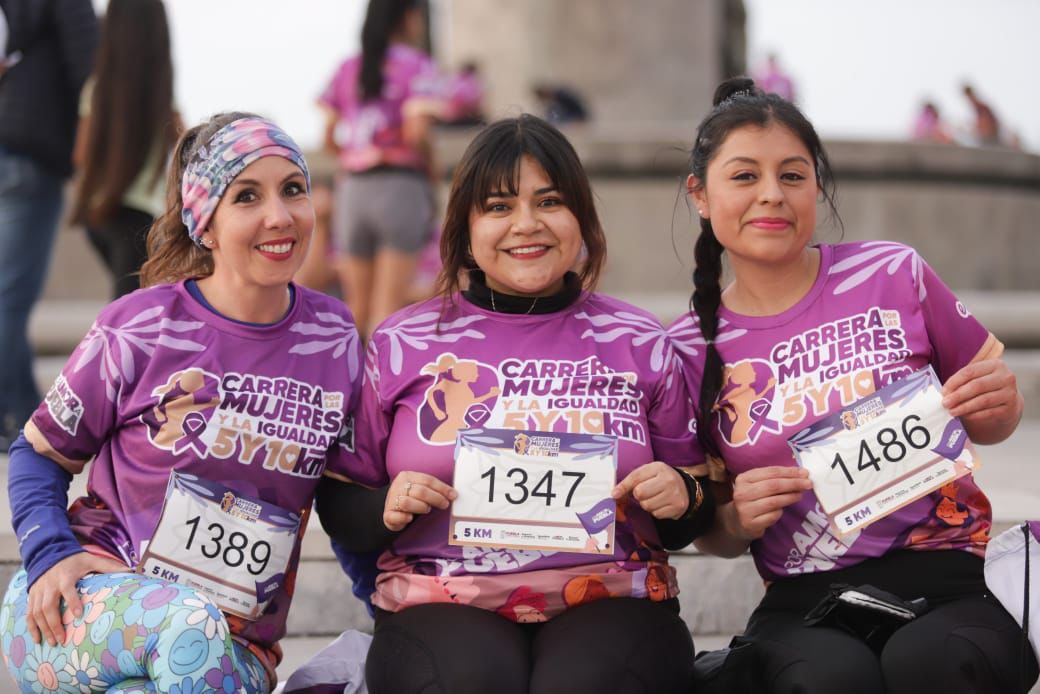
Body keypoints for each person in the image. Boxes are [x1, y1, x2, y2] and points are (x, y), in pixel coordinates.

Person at [316, 114, 714, 693]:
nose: (526, 225)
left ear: (581, 216)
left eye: (549, 201)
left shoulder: (639, 340)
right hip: (441, 602)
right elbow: (341, 506)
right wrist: (385, 506)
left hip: (613, 601)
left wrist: (683, 494)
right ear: (466, 228)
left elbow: (693, 512)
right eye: (499, 206)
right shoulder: (402, 342)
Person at [669, 76, 1037, 693]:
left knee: (934, 665)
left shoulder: (893, 273)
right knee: (828, 681)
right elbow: (714, 531)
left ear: (817, 184)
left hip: (951, 576)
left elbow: (994, 420)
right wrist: (737, 518)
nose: (772, 196)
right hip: (804, 602)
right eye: (743, 177)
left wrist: (1003, 402)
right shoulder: (686, 347)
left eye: (792, 175)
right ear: (700, 195)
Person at [0, 113, 365, 693]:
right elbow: (37, 453)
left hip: (232, 644)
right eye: (247, 196)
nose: (280, 215)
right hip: (78, 610)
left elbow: (346, 497)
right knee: (184, 622)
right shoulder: (140, 328)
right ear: (206, 224)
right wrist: (49, 553)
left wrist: (392, 607)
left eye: (293, 189)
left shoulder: (335, 336)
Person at [0, 0, 97, 450]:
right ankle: (23, 420)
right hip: (31, 152)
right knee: (10, 297)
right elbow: (88, 69)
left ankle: (21, 412)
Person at [318, 0, 446, 339]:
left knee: (355, 308)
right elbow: (416, 133)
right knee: (387, 309)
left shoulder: (349, 68)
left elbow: (329, 137)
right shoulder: (416, 65)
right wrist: (430, 166)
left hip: (353, 189)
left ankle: (345, 389)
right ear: (408, 16)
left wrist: (357, 153)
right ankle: (381, 392)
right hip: (399, 186)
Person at [70, 0, 180, 299]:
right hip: (139, 218)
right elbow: (188, 147)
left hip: (99, 213)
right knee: (130, 312)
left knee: (129, 305)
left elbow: (81, 155)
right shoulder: (160, 92)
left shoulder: (98, 87)